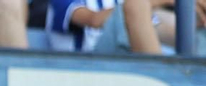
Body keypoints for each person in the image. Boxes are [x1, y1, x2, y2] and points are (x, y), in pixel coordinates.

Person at [47, 0, 203, 51]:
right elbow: (94, 20)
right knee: (136, 5)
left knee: (197, 24)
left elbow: (156, 25)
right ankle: (168, 83)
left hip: (125, 57)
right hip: (89, 67)